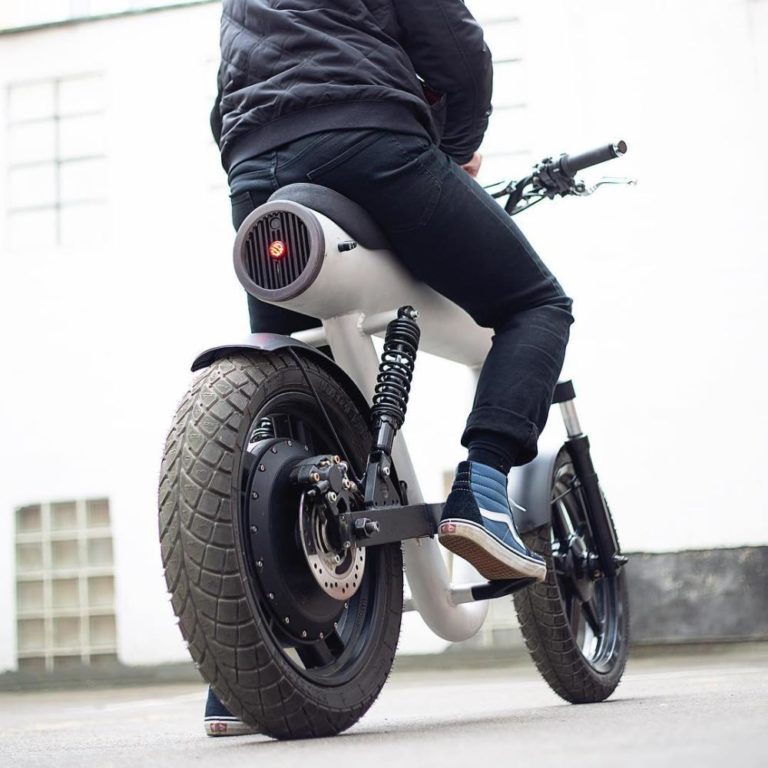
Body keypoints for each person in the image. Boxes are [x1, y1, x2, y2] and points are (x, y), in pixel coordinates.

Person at [203, 0, 574, 736]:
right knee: (536, 304)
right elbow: (457, 52)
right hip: (368, 146)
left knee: (291, 397)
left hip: (255, 176)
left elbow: (225, 98)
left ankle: (243, 669)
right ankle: (484, 493)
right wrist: (455, 150)